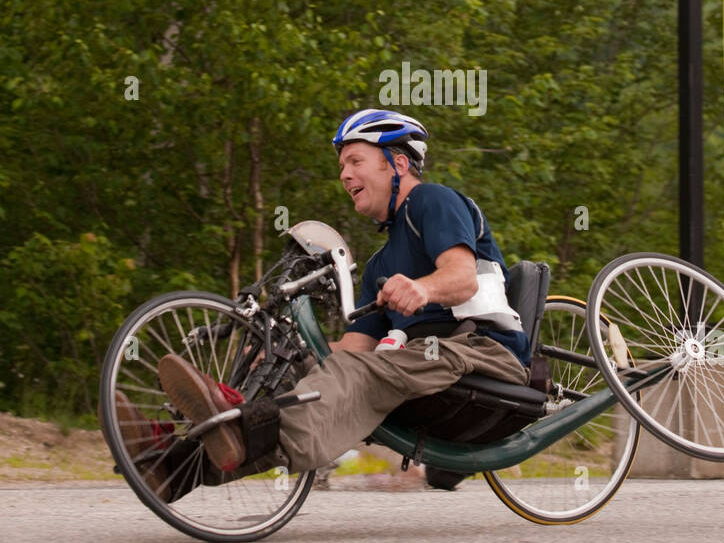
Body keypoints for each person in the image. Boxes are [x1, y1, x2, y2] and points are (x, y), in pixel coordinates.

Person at [125, 109, 532, 495]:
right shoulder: (378, 267)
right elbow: (351, 350)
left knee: (359, 373)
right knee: (294, 368)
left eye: (355, 161)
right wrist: (282, 356)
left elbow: (461, 279)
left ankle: (236, 428)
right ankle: (171, 463)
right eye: (341, 167)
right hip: (425, 368)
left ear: (398, 164)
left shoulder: (431, 202)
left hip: (481, 350)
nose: (344, 174)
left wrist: (423, 289)